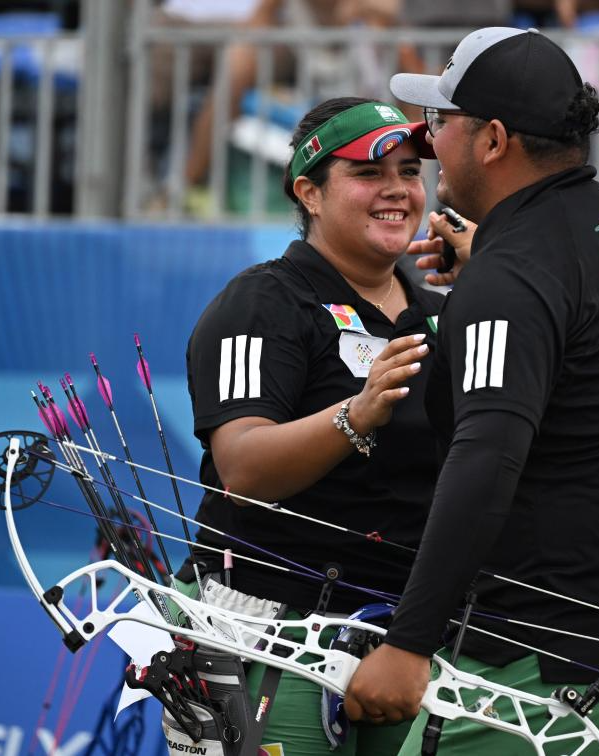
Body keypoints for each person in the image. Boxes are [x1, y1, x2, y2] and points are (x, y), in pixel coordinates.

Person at [345, 27, 599, 755]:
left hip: (544, 676)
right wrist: (491, 271)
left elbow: (486, 458)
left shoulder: (512, 275)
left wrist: (409, 641)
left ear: (494, 140)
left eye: (440, 121)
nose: (426, 141)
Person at [179, 96, 445, 755]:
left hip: (408, 639)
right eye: (368, 173)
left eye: (410, 172)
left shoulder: (444, 309)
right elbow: (242, 469)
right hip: (275, 629)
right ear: (310, 193)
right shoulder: (262, 301)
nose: (397, 190)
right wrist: (355, 415)